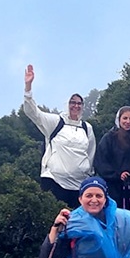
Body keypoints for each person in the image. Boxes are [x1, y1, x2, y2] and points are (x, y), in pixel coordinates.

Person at [23, 64, 96, 207]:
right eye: (72, 102)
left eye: (79, 103)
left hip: (79, 187)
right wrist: (28, 87)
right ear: (66, 104)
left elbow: (91, 154)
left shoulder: (87, 128)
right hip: (54, 183)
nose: (76, 106)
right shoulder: (56, 122)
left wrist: (89, 176)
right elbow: (32, 113)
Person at [94, 106, 130, 212]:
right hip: (114, 189)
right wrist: (117, 175)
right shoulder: (109, 138)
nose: (128, 122)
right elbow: (101, 162)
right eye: (125, 118)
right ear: (119, 119)